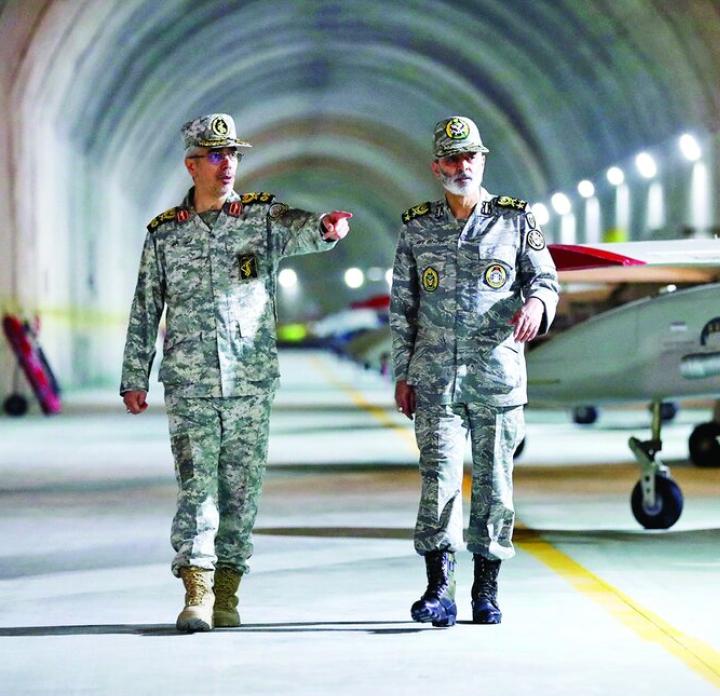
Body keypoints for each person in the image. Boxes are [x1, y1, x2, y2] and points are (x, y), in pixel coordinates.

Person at [120, 113, 351, 632]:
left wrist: (326, 228)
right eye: (217, 155)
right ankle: (196, 593)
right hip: (191, 381)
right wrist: (135, 374)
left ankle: (228, 592)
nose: (229, 165)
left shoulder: (260, 219)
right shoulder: (164, 235)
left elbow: (303, 230)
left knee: (241, 490)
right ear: (192, 164)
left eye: (234, 155)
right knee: (197, 487)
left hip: (249, 382)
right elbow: (145, 307)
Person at [390, 116, 559, 627]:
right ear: (436, 165)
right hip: (435, 377)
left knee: (494, 485)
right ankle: (439, 589)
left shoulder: (515, 220)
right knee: (437, 481)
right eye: (452, 158)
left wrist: (536, 305)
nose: (462, 166)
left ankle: (487, 590)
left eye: (471, 157)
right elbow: (403, 307)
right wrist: (403, 371)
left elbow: (546, 279)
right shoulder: (417, 227)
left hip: (496, 376)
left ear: (483, 161)